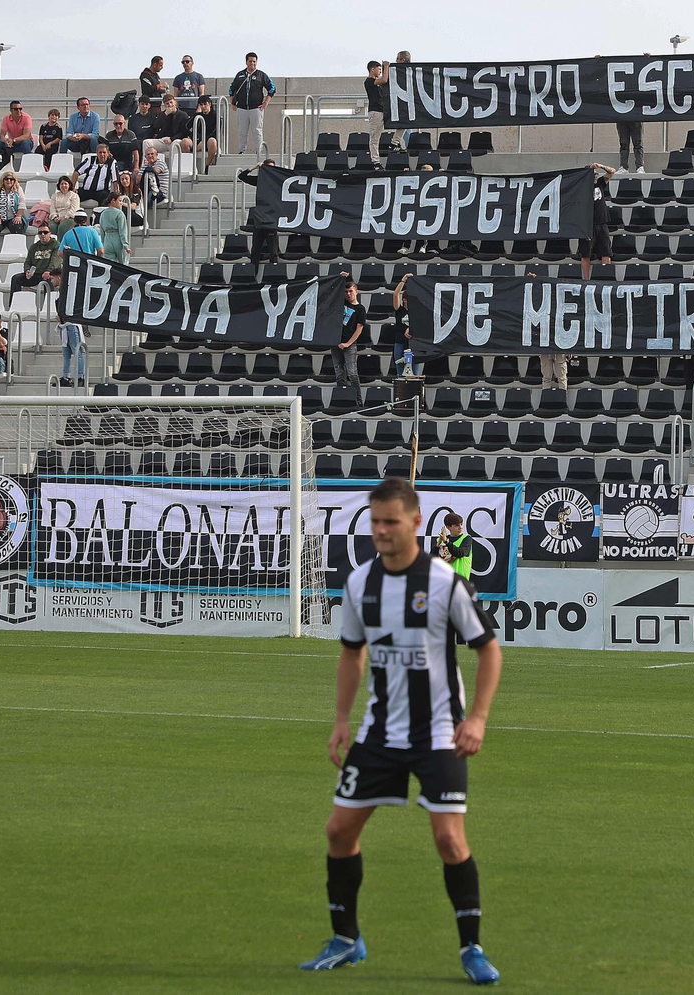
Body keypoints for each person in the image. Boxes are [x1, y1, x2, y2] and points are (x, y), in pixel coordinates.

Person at [301, 478, 502, 986]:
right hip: (380, 731)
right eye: (375, 522)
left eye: (391, 521)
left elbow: (488, 648)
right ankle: (346, 939)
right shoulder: (359, 583)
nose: (381, 531)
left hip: (439, 732)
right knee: (338, 830)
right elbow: (351, 653)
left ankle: (472, 948)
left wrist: (476, 718)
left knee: (449, 840)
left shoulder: (443, 582)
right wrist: (342, 720)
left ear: (415, 522)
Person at [231, 52, 276, 156]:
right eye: (250, 61)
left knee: (257, 130)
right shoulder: (240, 75)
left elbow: (272, 88)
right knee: (242, 131)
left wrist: (266, 102)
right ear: (246, 62)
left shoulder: (261, 75)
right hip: (242, 108)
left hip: (256, 108)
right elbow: (232, 88)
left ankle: (259, 151)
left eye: (254, 62)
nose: (252, 64)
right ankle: (242, 150)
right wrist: (232, 102)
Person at [579, 163, 615, 281]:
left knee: (606, 252)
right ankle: (586, 280)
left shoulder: (600, 183)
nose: (595, 176)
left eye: (596, 174)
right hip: (588, 225)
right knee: (586, 254)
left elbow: (611, 172)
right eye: (593, 174)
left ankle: (606, 278)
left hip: (602, 223)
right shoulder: (581, 189)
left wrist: (600, 166)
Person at [332, 280, 366, 391]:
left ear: (356, 292)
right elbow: (334, 293)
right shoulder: (341, 303)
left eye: (351, 291)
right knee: (339, 374)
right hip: (336, 342)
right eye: (346, 291)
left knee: (352, 374)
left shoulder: (360, 309)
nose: (348, 294)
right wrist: (341, 279)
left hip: (349, 343)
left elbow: (359, 329)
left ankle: (358, 400)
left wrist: (348, 343)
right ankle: (342, 397)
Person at [12, 225, 60, 294]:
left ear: (50, 233)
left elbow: (55, 261)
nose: (43, 234)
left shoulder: (56, 245)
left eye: (45, 232)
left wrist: (49, 271)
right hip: (36, 274)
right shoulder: (34, 247)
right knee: (16, 279)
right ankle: (14, 302)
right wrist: (27, 270)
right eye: (40, 233)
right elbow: (28, 262)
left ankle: (48, 303)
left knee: (50, 280)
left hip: (49, 274)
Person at [0, 101, 35, 168]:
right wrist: (6, 141)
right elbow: (2, 136)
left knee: (25, 143)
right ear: (11, 110)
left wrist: (13, 140)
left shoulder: (26, 118)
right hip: (12, 143)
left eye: (20, 108)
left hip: (25, 142)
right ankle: (1, 166)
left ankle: (28, 166)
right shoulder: (6, 119)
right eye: (16, 109)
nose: (19, 111)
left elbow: (26, 136)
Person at [0, 172, 25, 252]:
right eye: (6, 179)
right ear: (3, 180)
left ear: (14, 181)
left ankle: (16, 249)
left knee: (17, 226)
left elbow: (22, 203)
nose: (9, 181)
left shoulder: (18, 189)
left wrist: (19, 216)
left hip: (13, 217)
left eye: (11, 179)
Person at [77, 143, 121, 207]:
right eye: (100, 152)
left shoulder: (112, 162)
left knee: (105, 197)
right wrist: (72, 187)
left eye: (104, 152)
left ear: (108, 153)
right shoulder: (90, 160)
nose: (102, 154)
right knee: (73, 196)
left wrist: (116, 194)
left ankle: (100, 215)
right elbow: (76, 172)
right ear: (97, 153)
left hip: (101, 192)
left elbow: (115, 180)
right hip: (86, 190)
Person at [99, 191, 131, 264]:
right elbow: (123, 231)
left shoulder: (103, 213)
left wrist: (103, 244)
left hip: (107, 240)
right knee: (123, 265)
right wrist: (126, 246)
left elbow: (102, 231)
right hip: (118, 240)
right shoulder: (119, 213)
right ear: (113, 200)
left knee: (109, 265)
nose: (121, 203)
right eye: (119, 201)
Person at [137, 146, 170, 210]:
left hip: (161, 192)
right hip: (147, 190)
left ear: (156, 155)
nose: (150, 156)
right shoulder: (145, 166)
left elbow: (155, 171)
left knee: (145, 203)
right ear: (145, 156)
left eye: (152, 154)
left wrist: (146, 172)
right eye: (148, 154)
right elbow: (138, 179)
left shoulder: (161, 163)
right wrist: (146, 171)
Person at [193, 93, 220, 167]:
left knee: (212, 141)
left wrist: (203, 141)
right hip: (197, 140)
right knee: (185, 142)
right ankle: (191, 166)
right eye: (201, 105)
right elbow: (185, 127)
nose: (203, 106)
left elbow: (215, 132)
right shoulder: (197, 115)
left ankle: (208, 165)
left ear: (210, 104)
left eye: (205, 104)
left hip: (208, 141)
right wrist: (194, 139)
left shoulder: (216, 116)